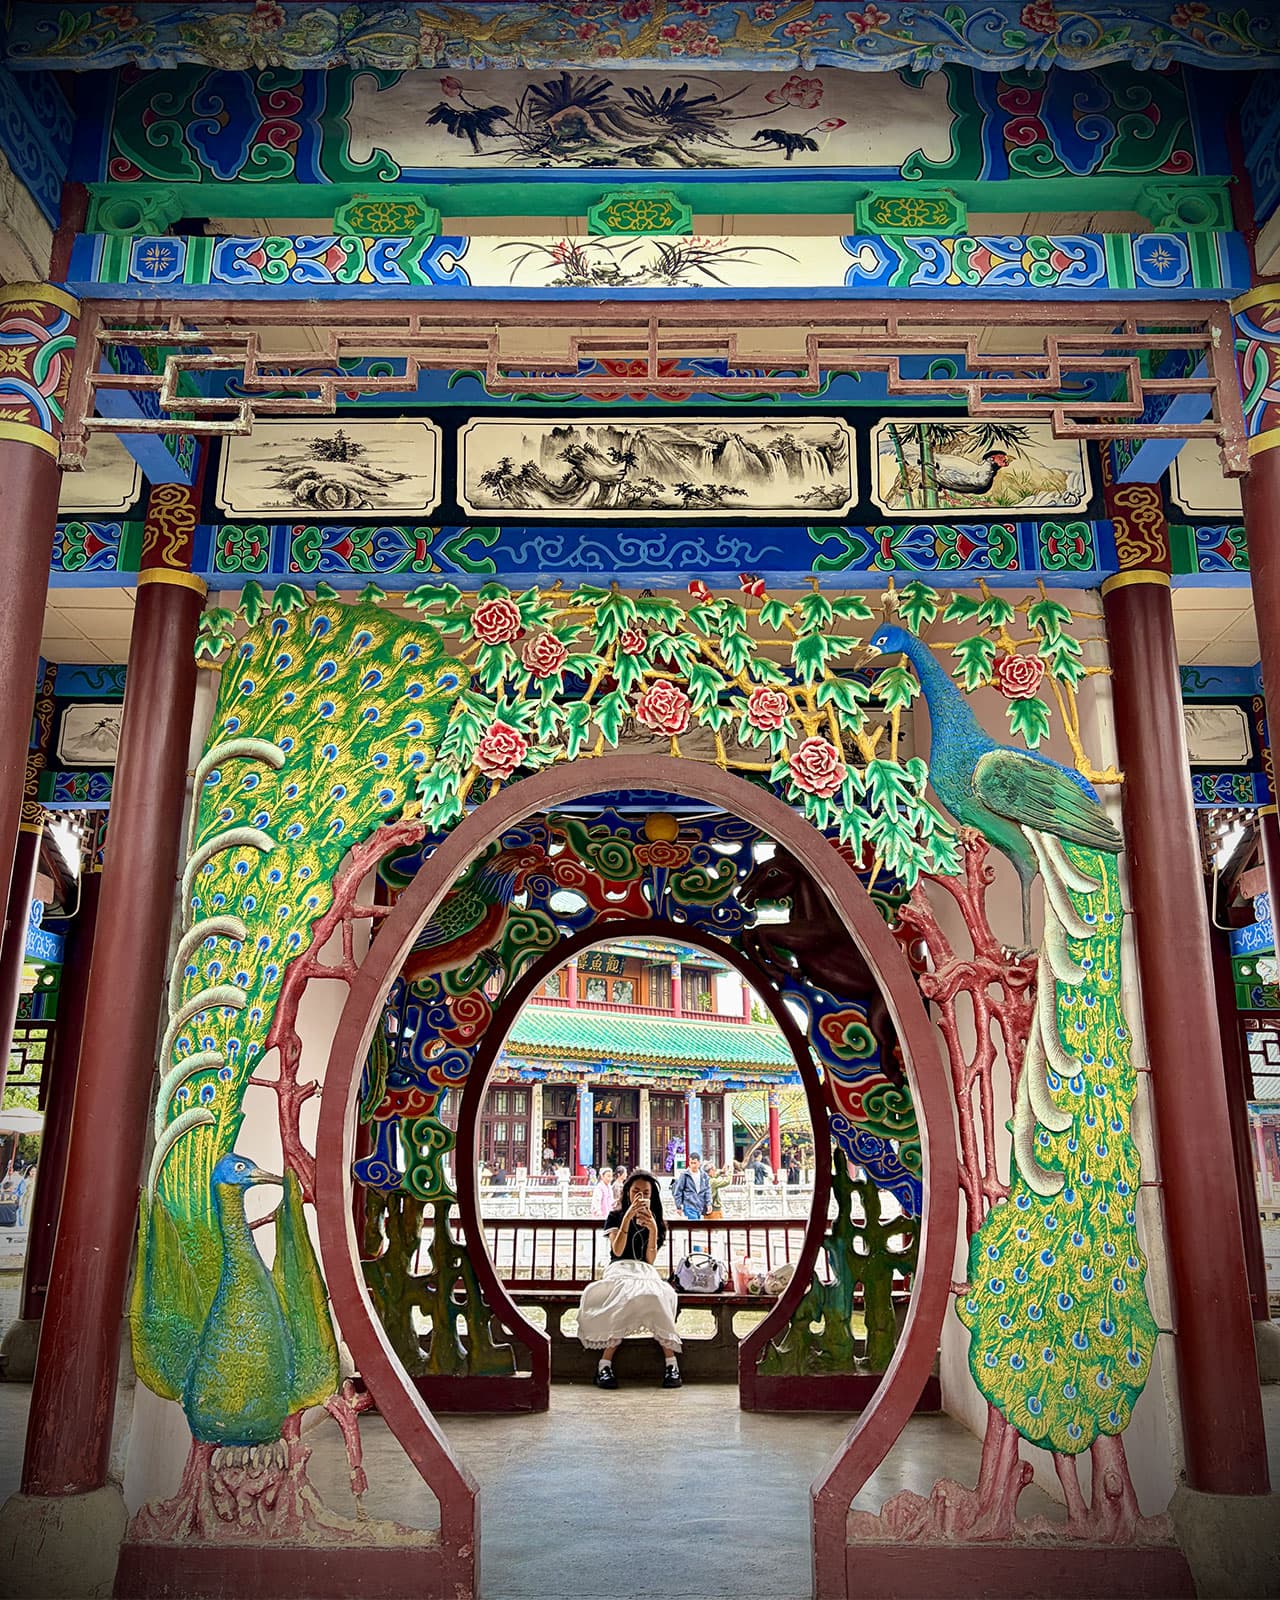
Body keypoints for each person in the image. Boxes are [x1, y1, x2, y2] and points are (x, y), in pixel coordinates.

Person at [578, 1169, 682, 1390]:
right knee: (624, 1296)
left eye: (645, 1192)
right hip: (620, 1269)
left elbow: (650, 1259)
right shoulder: (615, 1216)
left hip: (644, 1271)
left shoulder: (657, 1221)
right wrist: (627, 1218)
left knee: (655, 1295)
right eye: (636, 1191)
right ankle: (604, 1365)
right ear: (627, 1192)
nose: (640, 1196)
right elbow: (617, 1250)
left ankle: (671, 1363)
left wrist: (653, 1229)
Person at [672, 1153, 711, 1221]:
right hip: (689, 1205)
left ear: (699, 1163)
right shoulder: (684, 1175)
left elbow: (707, 1190)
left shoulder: (704, 1176)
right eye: (691, 1163)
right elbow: (678, 1191)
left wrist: (708, 1203)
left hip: (700, 1205)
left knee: (696, 1226)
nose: (693, 1165)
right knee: (694, 1224)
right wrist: (678, 1206)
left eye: (695, 1163)